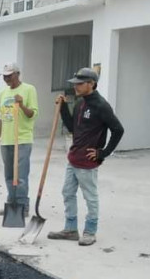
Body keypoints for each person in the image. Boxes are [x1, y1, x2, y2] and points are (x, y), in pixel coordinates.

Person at [48, 68, 125, 246]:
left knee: (90, 197)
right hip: (74, 157)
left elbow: (118, 130)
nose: (76, 86)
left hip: (87, 162)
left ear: (91, 84)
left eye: (80, 83)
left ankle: (90, 231)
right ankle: (70, 229)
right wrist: (63, 108)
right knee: (67, 193)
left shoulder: (101, 106)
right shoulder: (80, 104)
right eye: (75, 83)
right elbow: (72, 128)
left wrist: (103, 152)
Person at [0, 62, 39, 217]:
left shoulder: (29, 89)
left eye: (9, 76)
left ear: (17, 74)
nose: (6, 79)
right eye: (4, 76)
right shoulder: (2, 93)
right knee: (9, 176)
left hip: (22, 139)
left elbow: (32, 114)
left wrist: (22, 105)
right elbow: (2, 117)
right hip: (6, 140)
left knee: (21, 177)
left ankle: (23, 206)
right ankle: (11, 205)